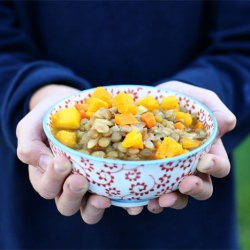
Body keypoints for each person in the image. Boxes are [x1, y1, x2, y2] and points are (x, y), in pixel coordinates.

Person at [0, 1, 249, 249]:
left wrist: (202, 97)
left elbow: (241, 46)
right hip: (40, 214)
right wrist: (35, 92)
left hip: (189, 205)